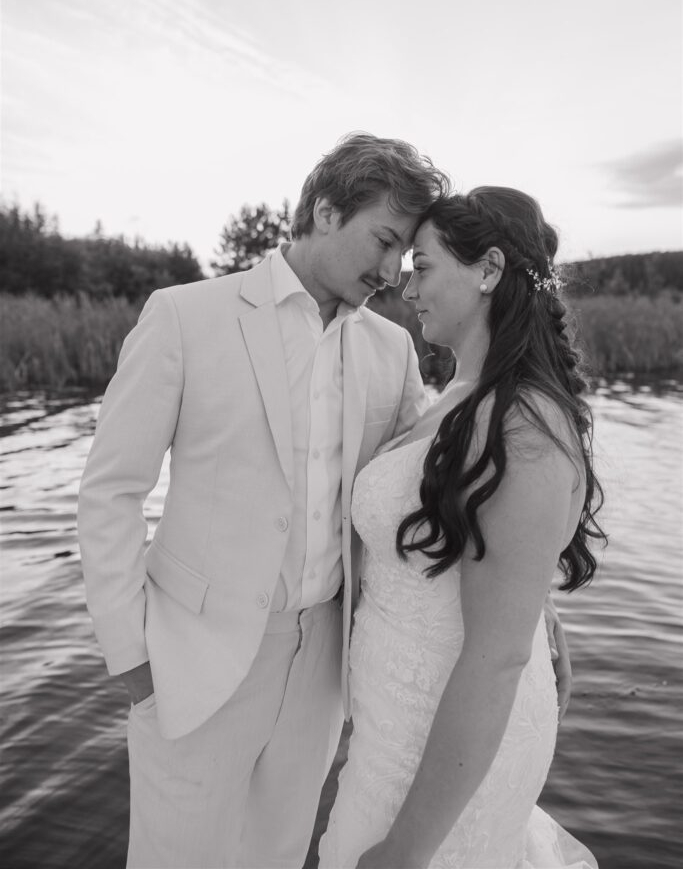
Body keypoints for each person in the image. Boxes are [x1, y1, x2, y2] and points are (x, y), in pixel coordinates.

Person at [77, 132, 448, 869]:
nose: (388, 270)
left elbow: (415, 496)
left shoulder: (390, 349)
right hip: (189, 659)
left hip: (324, 667)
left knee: (278, 856)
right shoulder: (184, 315)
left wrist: (534, 606)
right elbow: (111, 490)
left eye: (403, 256)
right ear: (321, 210)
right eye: (381, 240)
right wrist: (131, 656)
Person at [319, 187, 605, 869]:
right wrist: (533, 600)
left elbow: (498, 655)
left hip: (447, 742)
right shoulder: (454, 395)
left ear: (487, 269)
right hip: (396, 722)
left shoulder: (522, 426)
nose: (403, 284)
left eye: (422, 265)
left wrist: (407, 853)